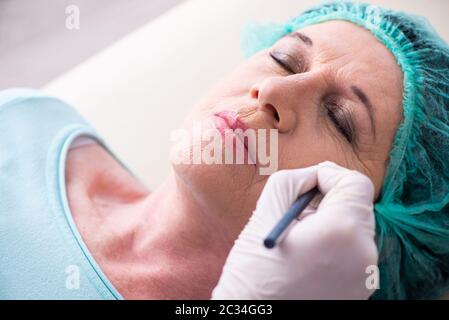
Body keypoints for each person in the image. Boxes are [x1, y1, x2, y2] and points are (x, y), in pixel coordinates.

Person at [0, 1, 448, 299]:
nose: (272, 90)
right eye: (285, 59)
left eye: (339, 119)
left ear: (377, 239)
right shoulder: (26, 121)